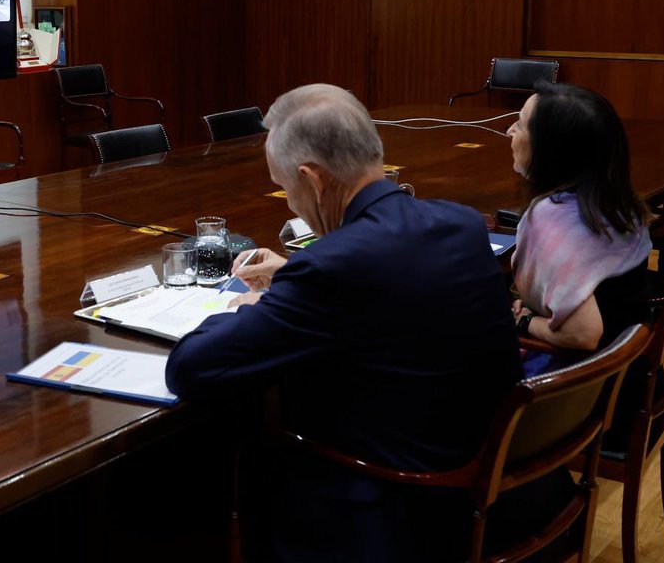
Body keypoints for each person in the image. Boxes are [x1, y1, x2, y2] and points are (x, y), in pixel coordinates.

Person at [165, 84, 522, 562]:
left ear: (313, 181)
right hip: (481, 480)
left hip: (385, 507)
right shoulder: (460, 224)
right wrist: (294, 279)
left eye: (286, 188)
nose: (290, 204)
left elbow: (190, 368)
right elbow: (390, 292)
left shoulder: (331, 268)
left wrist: (248, 308)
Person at [506, 82, 653, 352]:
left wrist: (525, 320)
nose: (510, 131)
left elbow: (584, 334)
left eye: (520, 124)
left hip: (588, 384)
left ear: (550, 150)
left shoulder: (553, 221)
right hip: (633, 369)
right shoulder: (618, 201)